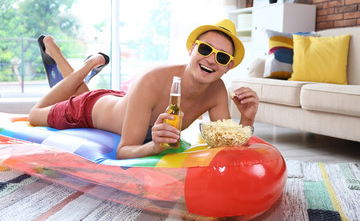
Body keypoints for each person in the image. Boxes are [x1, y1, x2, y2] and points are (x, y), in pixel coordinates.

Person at [28, 19, 259, 160]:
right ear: (191, 49)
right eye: (206, 49)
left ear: (228, 67)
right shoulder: (153, 80)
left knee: (83, 92)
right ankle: (88, 63)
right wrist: (154, 146)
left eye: (221, 56)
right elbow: (124, 150)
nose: (211, 60)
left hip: (123, 104)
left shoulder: (217, 89)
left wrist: (247, 119)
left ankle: (68, 57)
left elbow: (225, 143)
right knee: (36, 114)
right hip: (89, 110)